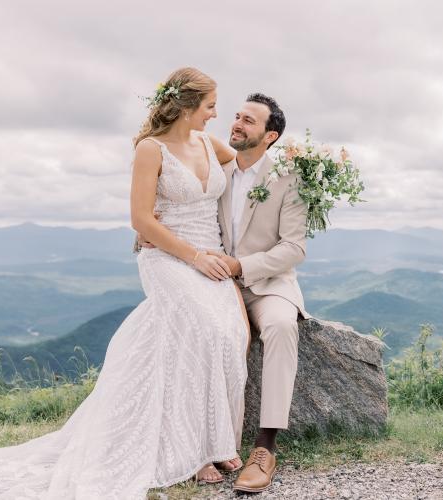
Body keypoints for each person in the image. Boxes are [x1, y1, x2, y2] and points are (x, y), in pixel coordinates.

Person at [0, 67, 249, 499]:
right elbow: (140, 219)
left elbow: (247, 165)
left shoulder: (209, 144)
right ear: (187, 106)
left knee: (231, 334)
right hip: (169, 257)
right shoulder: (151, 150)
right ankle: (195, 451)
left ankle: (219, 438)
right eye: (210, 106)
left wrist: (290, 158)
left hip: (211, 254)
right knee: (203, 330)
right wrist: (190, 254)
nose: (214, 114)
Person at [140, 92, 309, 493]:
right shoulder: (219, 168)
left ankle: (265, 447)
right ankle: (204, 443)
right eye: (236, 116)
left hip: (266, 284)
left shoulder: (288, 179)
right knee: (200, 333)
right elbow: (179, 203)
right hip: (212, 281)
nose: (235, 123)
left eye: (248, 121)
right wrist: (146, 229)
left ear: (269, 137)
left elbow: (294, 248)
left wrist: (241, 267)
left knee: (283, 327)